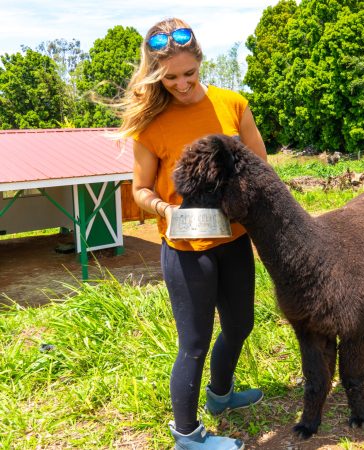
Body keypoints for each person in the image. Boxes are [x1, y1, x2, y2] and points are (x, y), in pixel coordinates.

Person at [117, 17, 268, 450]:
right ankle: (187, 435)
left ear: (201, 63)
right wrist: (167, 209)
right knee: (195, 341)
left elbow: (260, 168)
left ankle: (220, 396)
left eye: (189, 74)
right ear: (155, 75)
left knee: (241, 323)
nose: (181, 85)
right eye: (169, 78)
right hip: (185, 248)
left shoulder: (232, 104)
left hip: (234, 238)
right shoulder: (151, 125)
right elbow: (140, 190)